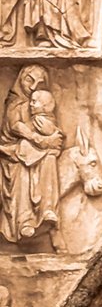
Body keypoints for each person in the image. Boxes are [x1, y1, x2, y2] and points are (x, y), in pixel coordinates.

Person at [0, 65, 63, 244]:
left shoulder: (41, 108)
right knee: (22, 170)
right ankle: (24, 220)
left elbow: (52, 130)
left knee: (50, 158)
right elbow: (15, 126)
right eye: (30, 80)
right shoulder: (15, 101)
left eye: (40, 83)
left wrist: (54, 138)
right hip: (13, 153)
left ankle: (48, 210)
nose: (34, 86)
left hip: (34, 151)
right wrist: (40, 140)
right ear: (21, 79)